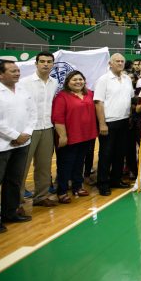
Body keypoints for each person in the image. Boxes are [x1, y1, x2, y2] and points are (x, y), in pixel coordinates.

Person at [0, 61, 36, 233]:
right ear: (0, 74)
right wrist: (15, 135)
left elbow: (33, 114)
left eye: (17, 71)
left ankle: (10, 213)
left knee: (14, 180)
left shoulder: (23, 92)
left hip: (22, 143)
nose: (17, 73)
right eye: (12, 71)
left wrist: (25, 133)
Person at [18, 52, 58, 207]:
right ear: (36, 64)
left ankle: (41, 196)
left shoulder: (54, 82)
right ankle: (17, 202)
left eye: (49, 61)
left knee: (44, 165)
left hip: (47, 127)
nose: (46, 64)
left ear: (53, 64)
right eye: (42, 61)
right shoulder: (24, 82)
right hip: (28, 129)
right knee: (22, 166)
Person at [51, 71, 97, 203]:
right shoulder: (62, 97)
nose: (78, 82)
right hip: (70, 137)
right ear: (68, 82)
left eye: (80, 79)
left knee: (79, 163)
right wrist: (63, 136)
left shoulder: (89, 93)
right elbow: (58, 119)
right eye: (74, 80)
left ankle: (77, 186)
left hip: (86, 136)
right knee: (65, 164)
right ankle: (63, 190)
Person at [94, 53, 133, 197]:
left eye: (122, 61)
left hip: (124, 121)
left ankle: (116, 179)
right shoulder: (103, 80)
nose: (120, 63)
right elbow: (98, 102)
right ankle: (103, 183)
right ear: (110, 63)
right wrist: (102, 123)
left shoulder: (127, 79)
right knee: (106, 154)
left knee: (120, 153)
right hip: (109, 122)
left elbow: (128, 99)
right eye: (117, 61)